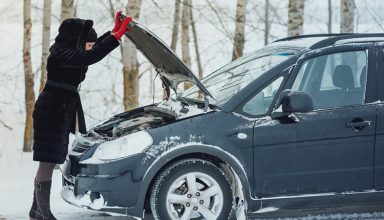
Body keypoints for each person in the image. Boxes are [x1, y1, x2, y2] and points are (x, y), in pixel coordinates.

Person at [29, 11, 131, 220]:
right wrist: (115, 38)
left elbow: (90, 50)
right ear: (76, 40)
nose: (90, 46)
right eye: (87, 42)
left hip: (60, 109)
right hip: (51, 111)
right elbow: (89, 56)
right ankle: (42, 211)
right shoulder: (60, 52)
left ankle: (36, 210)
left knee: (50, 159)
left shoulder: (69, 50)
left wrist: (111, 33)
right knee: (48, 161)